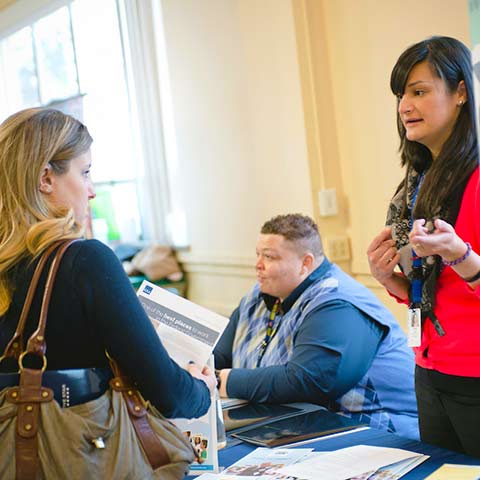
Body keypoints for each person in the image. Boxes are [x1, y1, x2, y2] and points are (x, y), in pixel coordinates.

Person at [0, 108, 216, 420]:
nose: (92, 191)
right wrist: (200, 388)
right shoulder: (84, 260)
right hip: (80, 457)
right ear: (46, 178)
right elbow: (171, 395)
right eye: (84, 173)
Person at [367, 36, 480, 457]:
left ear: (461, 93)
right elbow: (436, 292)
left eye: (419, 91)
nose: (404, 106)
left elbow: (465, 271)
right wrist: (389, 279)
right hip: (429, 369)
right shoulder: (416, 184)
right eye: (401, 95)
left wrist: (462, 255)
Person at [214, 213, 419, 440]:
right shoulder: (261, 294)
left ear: (306, 263)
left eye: (270, 257)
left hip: (379, 433)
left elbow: (306, 380)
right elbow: (220, 354)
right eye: (258, 255)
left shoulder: (339, 303)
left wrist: (221, 380)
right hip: (296, 425)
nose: (258, 265)